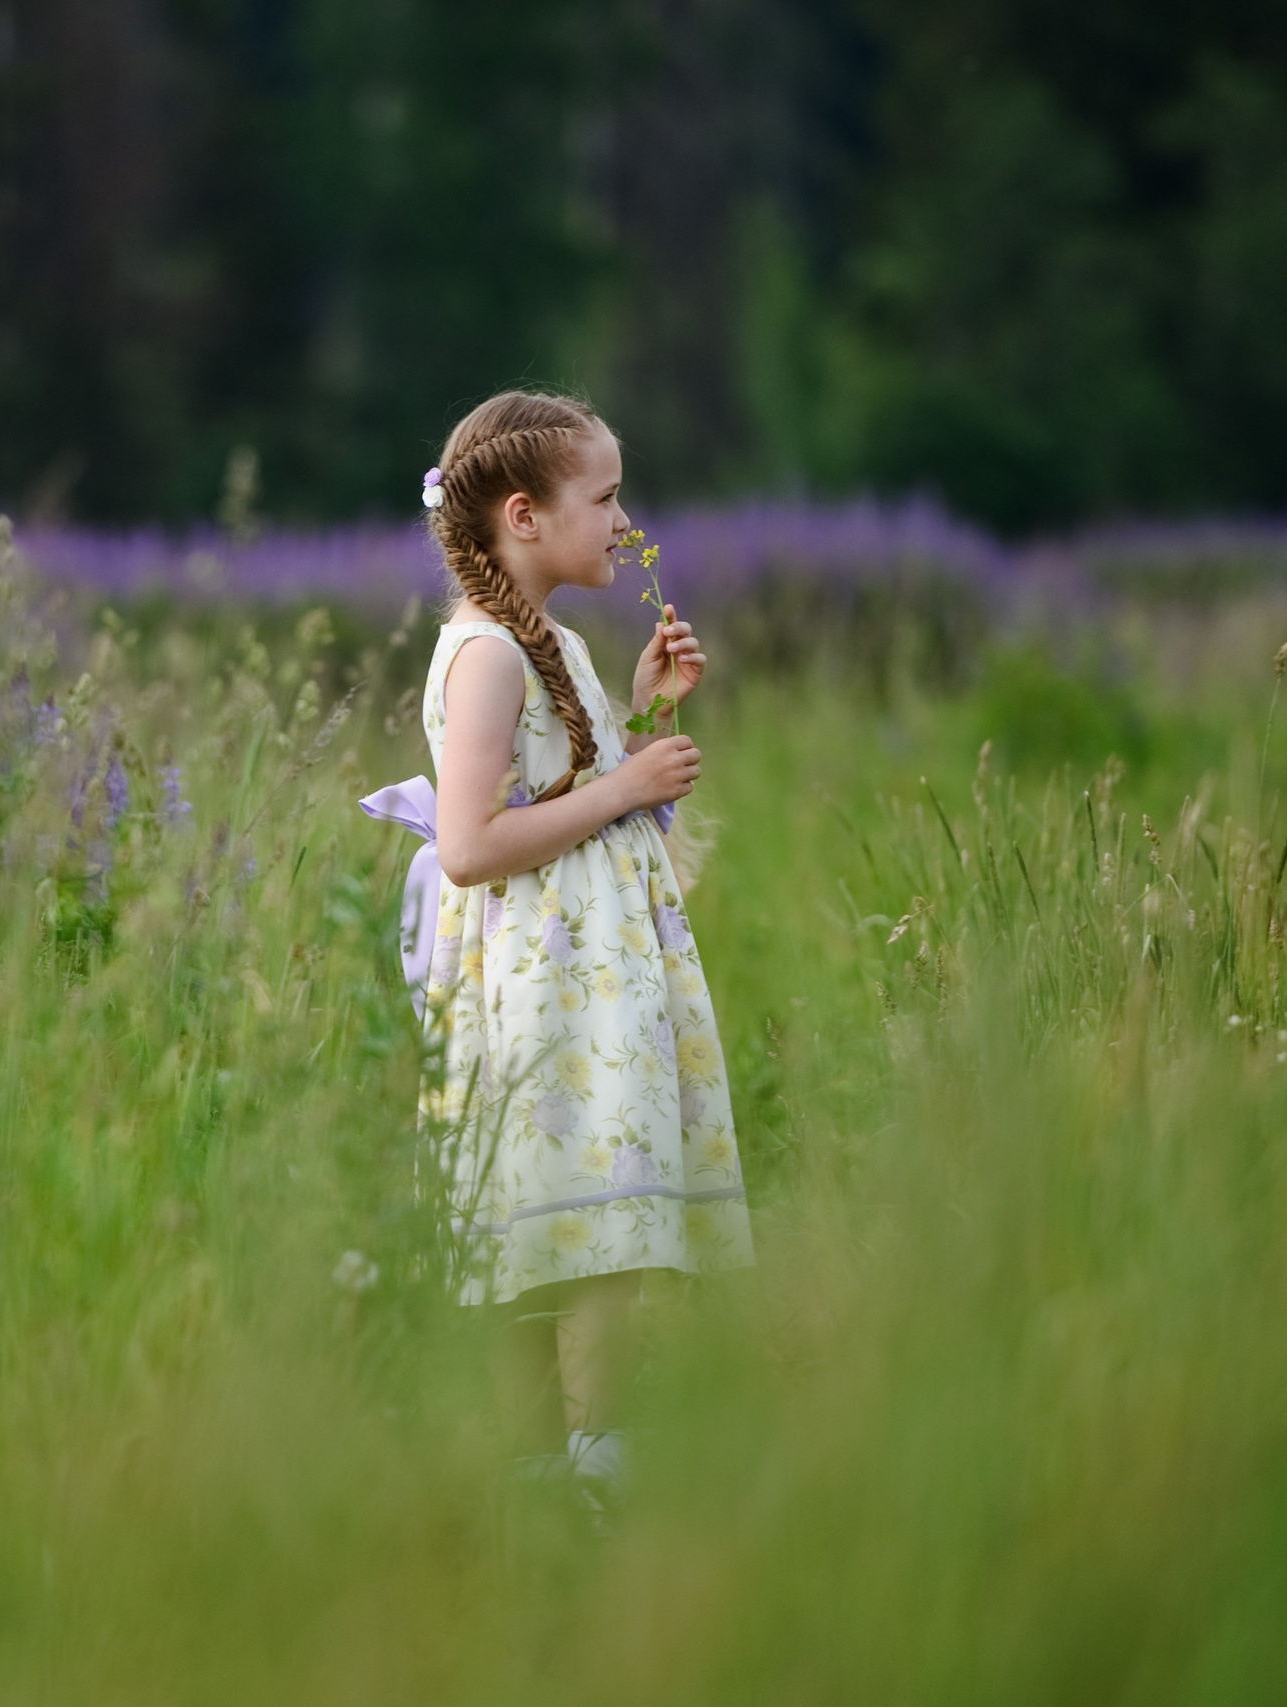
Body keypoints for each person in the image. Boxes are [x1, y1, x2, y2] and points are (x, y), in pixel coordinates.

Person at [363, 389, 754, 1514]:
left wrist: (639, 719)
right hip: (540, 987)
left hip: (586, 975)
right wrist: (626, 783)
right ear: (523, 516)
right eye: (608, 499)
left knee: (590, 1215)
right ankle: (577, 1472)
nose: (626, 525)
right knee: (573, 1220)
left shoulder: (552, 645)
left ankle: (568, 1466)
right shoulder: (484, 656)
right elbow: (473, 844)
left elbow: (565, 792)